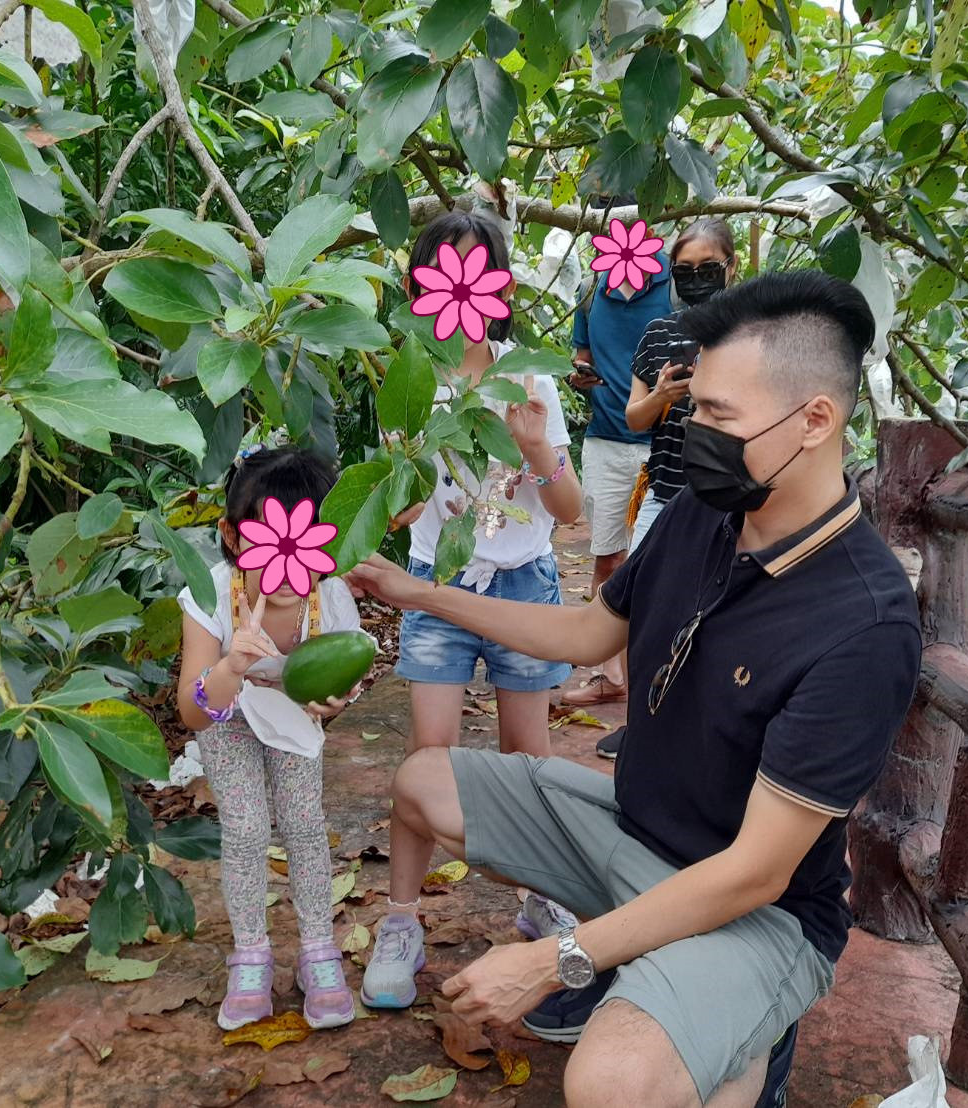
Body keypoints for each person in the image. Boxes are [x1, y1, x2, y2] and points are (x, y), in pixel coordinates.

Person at [346, 270, 922, 1108]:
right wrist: (424, 595)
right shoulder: (707, 513)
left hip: (755, 908)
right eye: (697, 408)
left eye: (720, 417)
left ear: (814, 421)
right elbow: (589, 632)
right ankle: (656, 973)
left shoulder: (863, 623)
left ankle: (735, 1013)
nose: (694, 433)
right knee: (422, 781)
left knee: (614, 1083)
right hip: (633, 833)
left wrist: (553, 960)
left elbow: (755, 874)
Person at [362, 211, 585, 1009]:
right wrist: (408, 468)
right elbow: (394, 511)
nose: (458, 283)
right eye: (441, 269)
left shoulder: (532, 381)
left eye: (474, 267)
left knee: (529, 757)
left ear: (499, 285)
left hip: (523, 585)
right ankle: (399, 919)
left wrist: (532, 449)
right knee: (428, 758)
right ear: (420, 286)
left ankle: (539, 896)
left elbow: (566, 509)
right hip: (437, 587)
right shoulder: (407, 379)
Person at [176, 445, 367, 1032]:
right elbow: (191, 711)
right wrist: (231, 667)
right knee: (246, 827)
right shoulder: (209, 596)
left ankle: (318, 951)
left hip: (290, 721)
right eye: (272, 543)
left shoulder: (329, 597)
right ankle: (251, 955)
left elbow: (346, 677)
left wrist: (335, 701)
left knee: (305, 825)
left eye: (307, 543)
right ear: (234, 538)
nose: (289, 563)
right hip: (228, 718)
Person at [596, 218, 739, 762]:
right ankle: (641, 723)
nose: (697, 279)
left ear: (731, 267)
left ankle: (696, 731)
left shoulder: (749, 333)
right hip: (665, 493)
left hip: (727, 502)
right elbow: (635, 419)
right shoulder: (659, 334)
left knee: (714, 617)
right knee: (643, 610)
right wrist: (662, 396)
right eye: (685, 271)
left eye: (708, 269)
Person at [560, 227, 672, 708]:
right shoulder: (592, 291)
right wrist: (578, 374)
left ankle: (657, 673)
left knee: (662, 564)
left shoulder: (674, 290)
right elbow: (580, 356)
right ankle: (611, 673)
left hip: (665, 443)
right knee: (608, 558)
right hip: (607, 440)